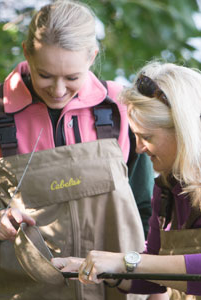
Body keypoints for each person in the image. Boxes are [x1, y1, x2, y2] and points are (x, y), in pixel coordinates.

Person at [0, 1, 154, 299]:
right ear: (26, 52)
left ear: (92, 57)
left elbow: (146, 212)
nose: (58, 90)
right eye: (44, 75)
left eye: (72, 78)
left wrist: (153, 285)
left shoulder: (120, 109)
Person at [52, 61, 201, 299]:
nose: (139, 148)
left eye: (147, 136)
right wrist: (99, 267)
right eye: (135, 136)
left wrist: (124, 261)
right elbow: (154, 275)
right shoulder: (166, 190)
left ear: (183, 131)